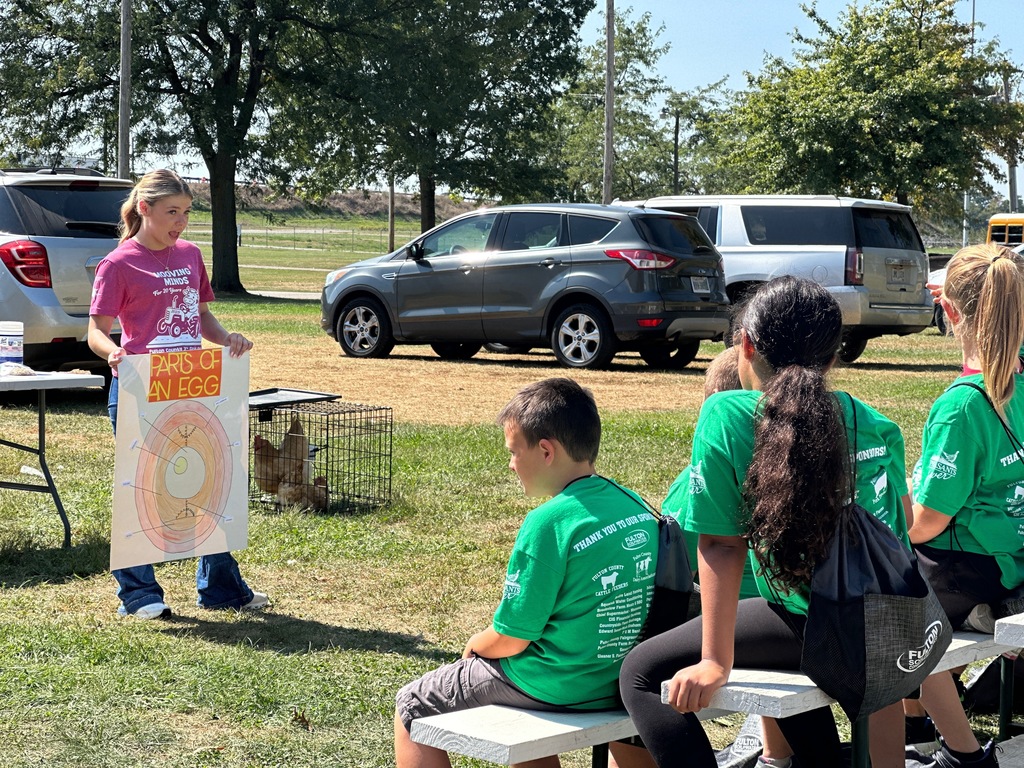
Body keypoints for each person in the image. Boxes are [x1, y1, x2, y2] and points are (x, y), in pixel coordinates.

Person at [618, 276, 911, 768]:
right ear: (835, 357)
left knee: (640, 674)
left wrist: (715, 662)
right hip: (891, 623)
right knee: (777, 628)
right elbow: (898, 531)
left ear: (746, 346)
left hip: (819, 625)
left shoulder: (728, 414)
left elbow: (720, 545)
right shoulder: (875, 422)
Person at [394, 377, 659, 768]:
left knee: (413, 704)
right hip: (620, 679)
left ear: (546, 451)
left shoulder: (548, 523)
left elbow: (512, 638)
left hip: (556, 684)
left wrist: (475, 645)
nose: (511, 463)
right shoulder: (635, 505)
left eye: (515, 452)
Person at [88, 168, 267, 620]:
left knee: (211, 486)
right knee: (142, 491)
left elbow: (201, 318)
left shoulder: (190, 255)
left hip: (194, 385)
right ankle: (139, 595)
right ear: (143, 209)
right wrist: (113, 355)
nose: (180, 223)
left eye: (186, 213)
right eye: (172, 213)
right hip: (138, 390)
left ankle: (222, 590)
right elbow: (95, 331)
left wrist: (228, 338)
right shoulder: (118, 263)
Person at [906, 243, 1024, 768]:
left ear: (949, 312)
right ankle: (914, 725)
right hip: (1011, 560)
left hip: (965, 568)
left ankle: (964, 752)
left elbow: (927, 524)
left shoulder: (960, 404)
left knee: (887, 619)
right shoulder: (1018, 387)